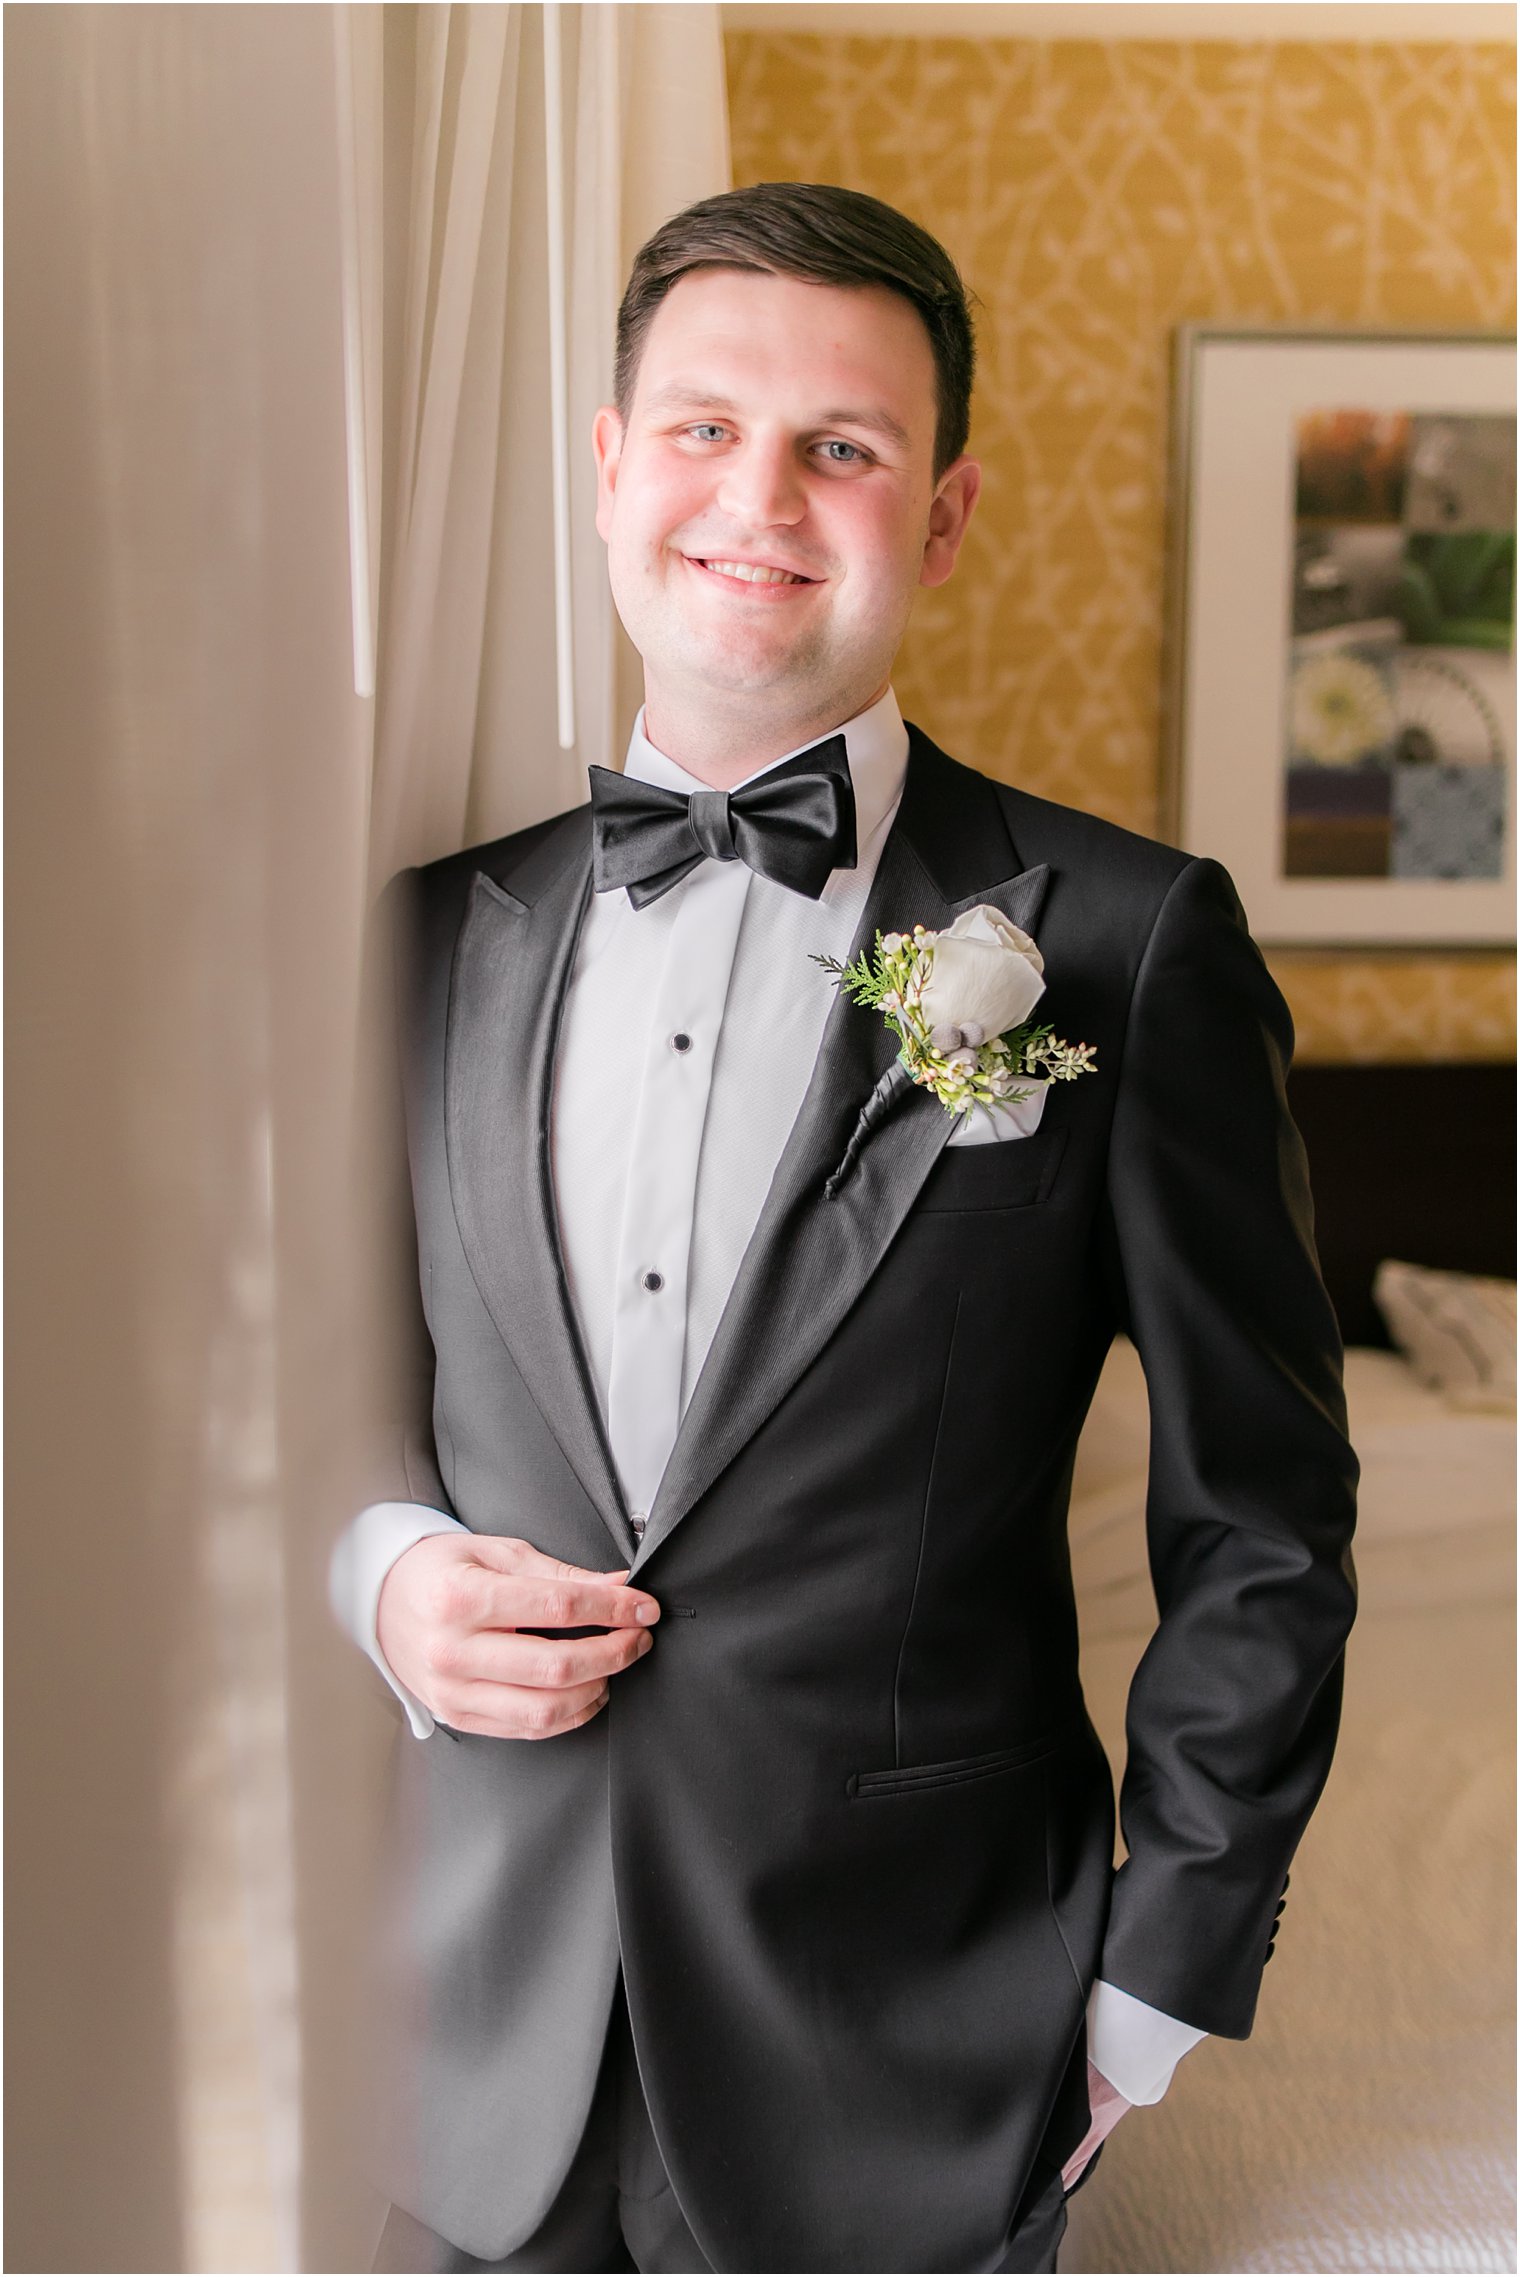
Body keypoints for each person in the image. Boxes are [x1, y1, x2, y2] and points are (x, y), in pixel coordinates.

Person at [330, 182, 1358, 2275]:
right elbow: (282, 1400)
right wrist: (378, 1576)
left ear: (944, 514)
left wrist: (1153, 1984)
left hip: (912, 2038)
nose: (761, 497)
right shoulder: (416, 935)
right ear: (611, 468)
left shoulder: (1132, 943)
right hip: (457, 2039)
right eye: (702, 428)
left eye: (845, 447)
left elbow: (1261, 1514)